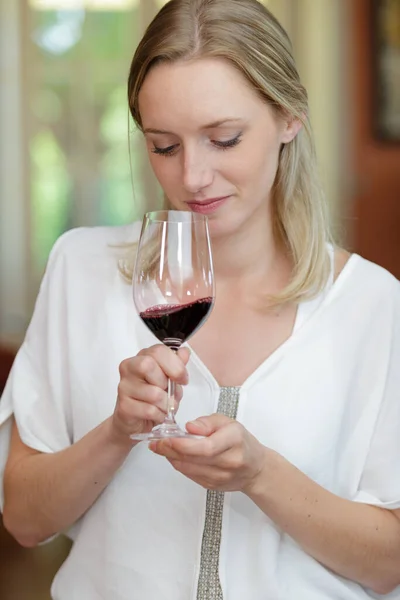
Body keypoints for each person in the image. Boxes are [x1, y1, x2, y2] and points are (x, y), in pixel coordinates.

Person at [1, 0, 400, 598]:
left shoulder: (372, 305)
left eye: (224, 139)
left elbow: (391, 562)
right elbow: (25, 522)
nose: (192, 177)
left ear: (290, 117)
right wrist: (116, 432)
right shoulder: (80, 272)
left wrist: (262, 474)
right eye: (164, 146)